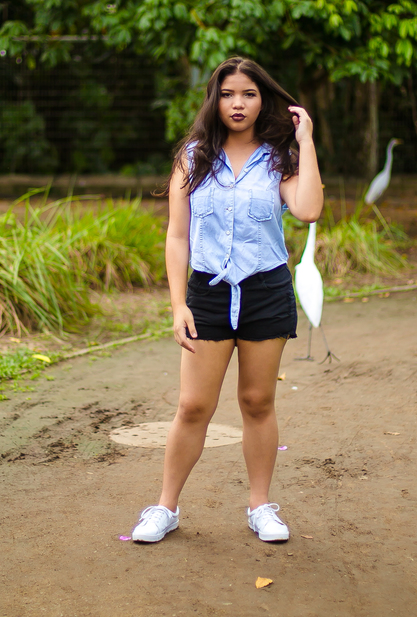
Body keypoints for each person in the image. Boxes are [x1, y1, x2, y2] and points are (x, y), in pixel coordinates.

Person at [131, 57, 323, 545]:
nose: (238, 103)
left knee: (257, 401)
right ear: (215, 99)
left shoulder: (281, 156)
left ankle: (261, 506)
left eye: (249, 94)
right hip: (209, 294)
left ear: (264, 101)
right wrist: (179, 305)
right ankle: (164, 507)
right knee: (193, 405)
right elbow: (177, 237)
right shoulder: (193, 157)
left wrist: (306, 141)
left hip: (266, 292)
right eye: (228, 94)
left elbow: (308, 209)